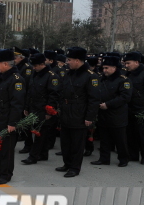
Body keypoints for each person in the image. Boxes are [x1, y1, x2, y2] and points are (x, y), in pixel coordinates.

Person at [57, 47, 100, 178]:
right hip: (66, 112)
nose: (67, 62)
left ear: (77, 60)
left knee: (77, 144)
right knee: (65, 142)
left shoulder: (90, 76)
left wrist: (90, 117)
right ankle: (67, 163)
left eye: (69, 60)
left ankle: (75, 168)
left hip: (79, 114)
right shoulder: (68, 74)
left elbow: (94, 99)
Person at [0, 48, 26, 184]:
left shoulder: (16, 80)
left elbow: (17, 104)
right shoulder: (1, 77)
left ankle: (7, 174)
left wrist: (12, 123)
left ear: (5, 64)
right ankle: (1, 171)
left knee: (7, 150)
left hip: (7, 120)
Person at [91, 55, 132, 167]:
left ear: (114, 68)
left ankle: (123, 159)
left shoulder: (123, 80)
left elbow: (125, 97)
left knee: (120, 139)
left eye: (107, 68)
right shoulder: (101, 79)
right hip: (103, 114)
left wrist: (108, 104)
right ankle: (104, 158)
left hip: (117, 115)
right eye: (103, 68)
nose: (104, 70)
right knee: (104, 139)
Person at [22, 53, 61, 165]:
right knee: (41, 132)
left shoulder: (51, 76)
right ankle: (43, 154)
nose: (33, 68)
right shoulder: (35, 74)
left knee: (39, 133)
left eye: (35, 66)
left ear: (42, 64)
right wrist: (26, 107)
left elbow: (54, 95)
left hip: (44, 109)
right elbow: (29, 91)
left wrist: (50, 110)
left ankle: (33, 156)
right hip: (34, 107)